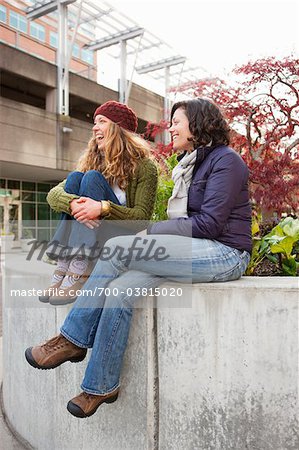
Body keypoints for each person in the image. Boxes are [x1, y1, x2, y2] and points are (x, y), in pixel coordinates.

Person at [25, 98, 252, 418]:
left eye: (177, 122)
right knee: (119, 291)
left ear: (198, 125)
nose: (170, 128)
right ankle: (101, 386)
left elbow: (210, 224)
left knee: (117, 249)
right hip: (192, 248)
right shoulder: (191, 163)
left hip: (224, 253)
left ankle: (72, 338)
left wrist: (150, 233)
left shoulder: (226, 161)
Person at [39, 100, 158, 305]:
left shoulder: (144, 167)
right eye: (95, 122)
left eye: (101, 121)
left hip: (120, 238)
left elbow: (141, 218)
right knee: (77, 178)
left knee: (92, 178)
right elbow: (53, 194)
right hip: (93, 235)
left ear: (118, 128)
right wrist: (74, 204)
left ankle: (81, 267)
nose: (94, 128)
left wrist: (102, 208)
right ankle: (65, 262)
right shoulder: (93, 160)